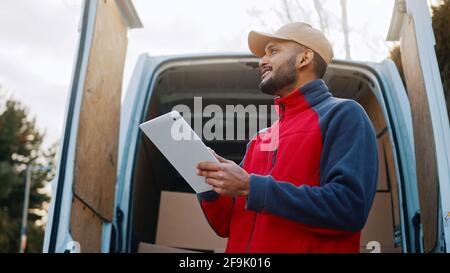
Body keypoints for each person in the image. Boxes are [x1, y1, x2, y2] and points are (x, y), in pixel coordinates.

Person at [196, 22, 378, 253]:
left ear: (304, 58)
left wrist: (252, 187)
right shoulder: (261, 139)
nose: (262, 60)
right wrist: (209, 183)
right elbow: (226, 226)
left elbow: (349, 208)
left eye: (273, 51)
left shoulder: (344, 115)